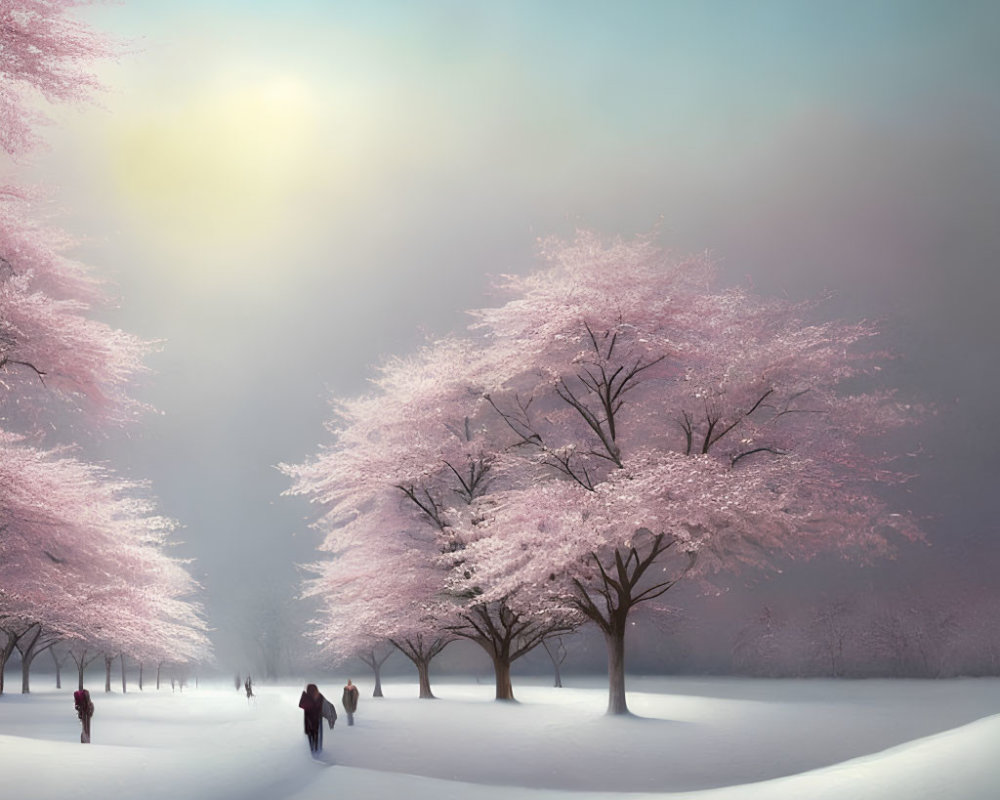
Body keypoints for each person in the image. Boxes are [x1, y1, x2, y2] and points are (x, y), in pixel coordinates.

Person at [298, 683, 336, 754]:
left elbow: (301, 705)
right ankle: (316, 752)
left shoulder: (313, 696)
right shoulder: (312, 696)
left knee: (314, 738)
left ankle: (315, 752)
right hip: (313, 721)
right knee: (315, 738)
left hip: (313, 720)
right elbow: (301, 705)